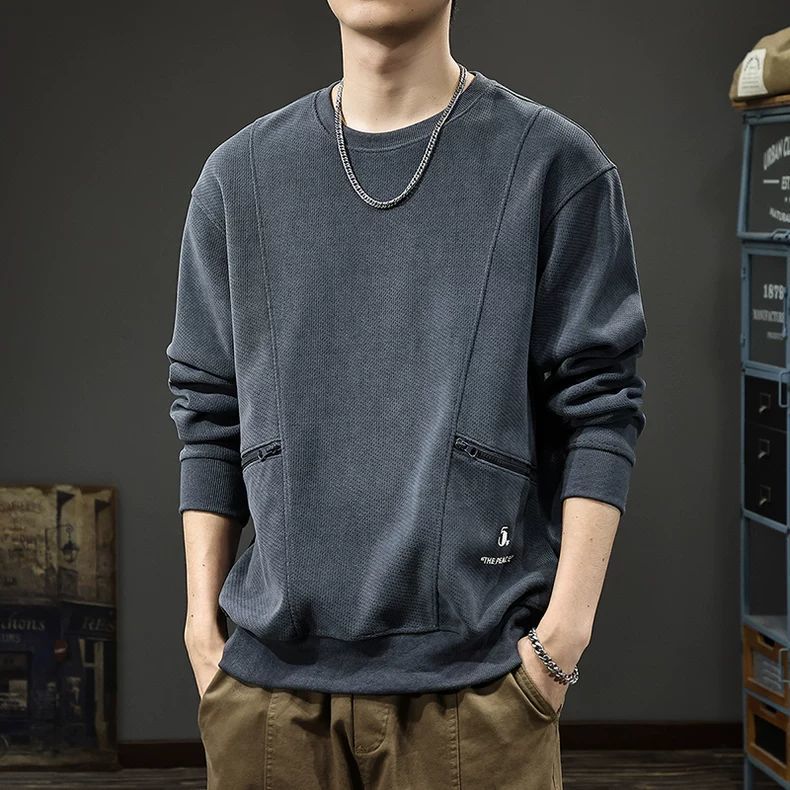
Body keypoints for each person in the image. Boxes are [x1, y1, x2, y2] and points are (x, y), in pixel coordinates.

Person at [165, 1, 648, 787]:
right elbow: (208, 414)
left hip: (479, 692)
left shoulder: (553, 166)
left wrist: (563, 640)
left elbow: (601, 405)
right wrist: (201, 631)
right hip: (266, 699)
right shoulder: (238, 178)